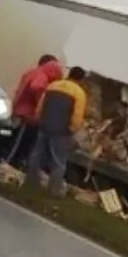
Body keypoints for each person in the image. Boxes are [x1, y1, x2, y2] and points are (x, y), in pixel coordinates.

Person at [25, 66, 87, 195]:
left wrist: (39, 119)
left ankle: (30, 183)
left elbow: (40, 106)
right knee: (58, 161)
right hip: (62, 131)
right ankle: (53, 191)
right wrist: (72, 129)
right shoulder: (79, 93)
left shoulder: (53, 86)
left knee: (37, 155)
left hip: (44, 126)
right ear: (81, 79)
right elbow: (77, 115)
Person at [5, 54, 63, 168]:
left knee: (17, 139)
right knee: (19, 142)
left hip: (19, 110)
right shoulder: (42, 76)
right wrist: (40, 103)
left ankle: (12, 161)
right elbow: (37, 87)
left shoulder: (33, 72)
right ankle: (8, 162)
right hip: (27, 114)